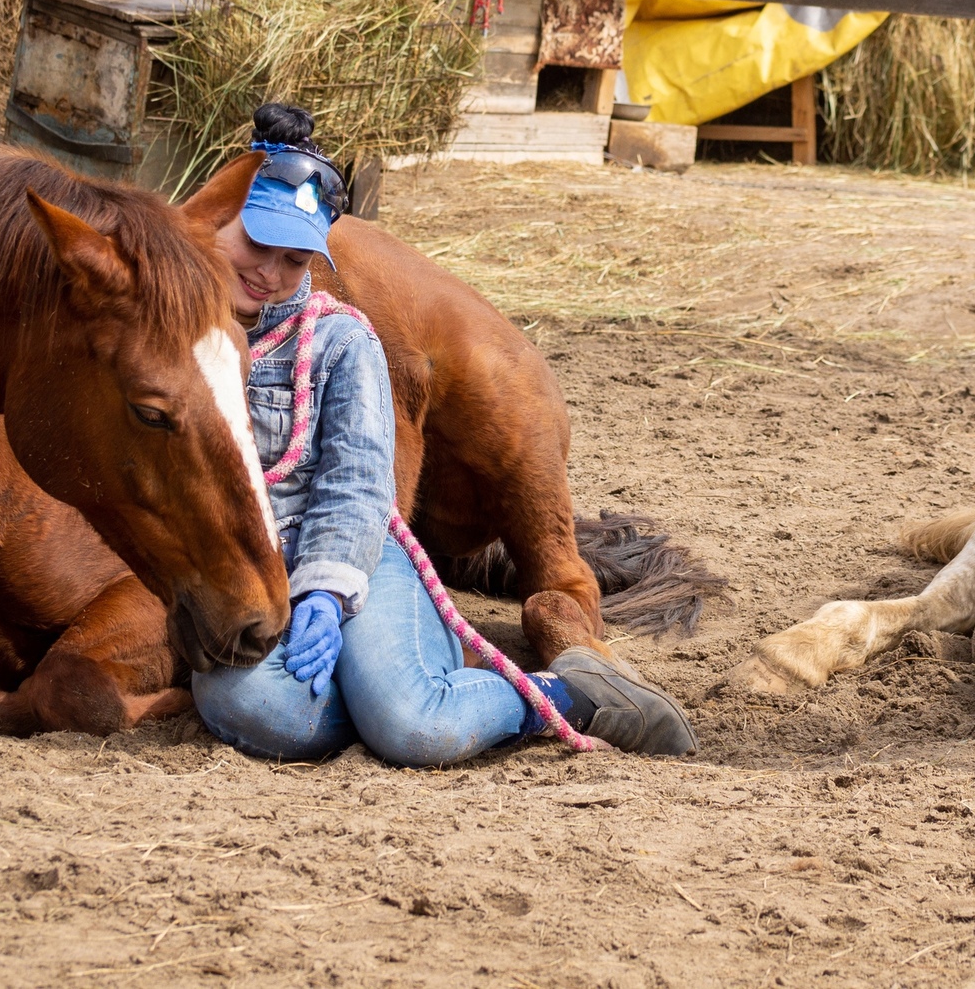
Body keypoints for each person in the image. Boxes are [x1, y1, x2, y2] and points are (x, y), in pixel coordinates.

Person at [191, 103, 698, 763]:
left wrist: (325, 587)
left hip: (351, 552)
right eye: (257, 242)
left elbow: (356, 482)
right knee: (250, 707)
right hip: (248, 576)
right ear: (223, 219)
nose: (270, 271)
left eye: (294, 258)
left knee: (412, 727)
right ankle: (414, 693)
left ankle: (560, 697)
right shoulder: (177, 336)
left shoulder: (338, 338)